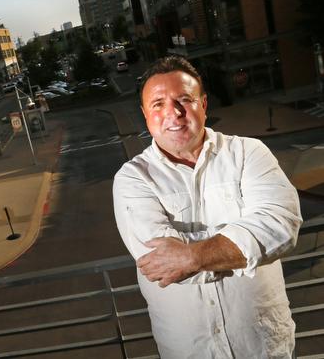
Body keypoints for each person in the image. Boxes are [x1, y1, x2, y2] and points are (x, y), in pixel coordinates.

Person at [113, 56, 302, 358]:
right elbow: (159, 263)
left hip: (263, 347)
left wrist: (191, 256)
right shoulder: (132, 178)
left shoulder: (248, 152)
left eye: (184, 100)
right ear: (145, 114)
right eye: (158, 104)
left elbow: (280, 226)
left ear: (203, 104)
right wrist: (243, 242)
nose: (173, 112)